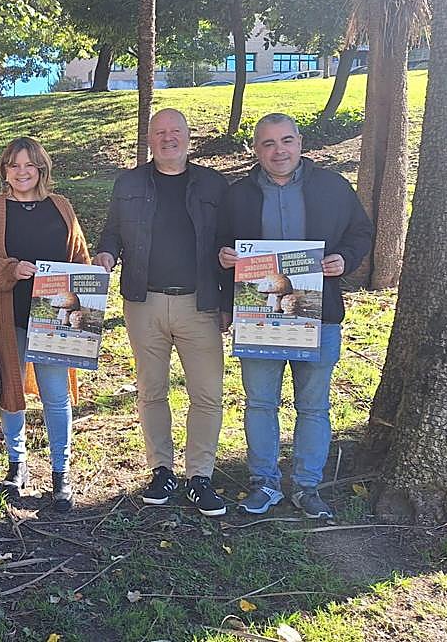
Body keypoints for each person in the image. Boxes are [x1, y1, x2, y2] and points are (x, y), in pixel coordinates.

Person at [218, 113, 373, 519]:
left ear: (300, 143)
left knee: (314, 406)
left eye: (286, 141)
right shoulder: (238, 196)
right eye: (268, 143)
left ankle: (307, 486)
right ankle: (264, 482)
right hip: (259, 318)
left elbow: (361, 232)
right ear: (256, 149)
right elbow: (218, 243)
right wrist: (223, 256)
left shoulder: (333, 187)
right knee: (260, 404)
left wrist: (346, 258)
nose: (278, 151)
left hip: (318, 317)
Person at [93, 108, 231, 517]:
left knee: (207, 394)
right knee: (151, 390)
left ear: (189, 137)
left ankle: (200, 476)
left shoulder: (213, 184)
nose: (168, 138)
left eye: (176, 131)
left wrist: (226, 303)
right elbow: (112, 232)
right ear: (149, 140)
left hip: (199, 304)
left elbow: (229, 244)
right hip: (143, 302)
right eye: (160, 132)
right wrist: (105, 254)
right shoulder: (130, 182)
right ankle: (162, 470)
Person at [0, 137, 91, 513]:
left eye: (29, 165)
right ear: (4, 170)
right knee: (12, 390)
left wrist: (90, 278)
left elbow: (79, 256)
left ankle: (61, 473)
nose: (22, 172)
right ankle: (16, 466)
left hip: (54, 319)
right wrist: (10, 269)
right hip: (8, 315)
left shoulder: (61, 207)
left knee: (56, 396)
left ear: (42, 168)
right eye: (14, 165)